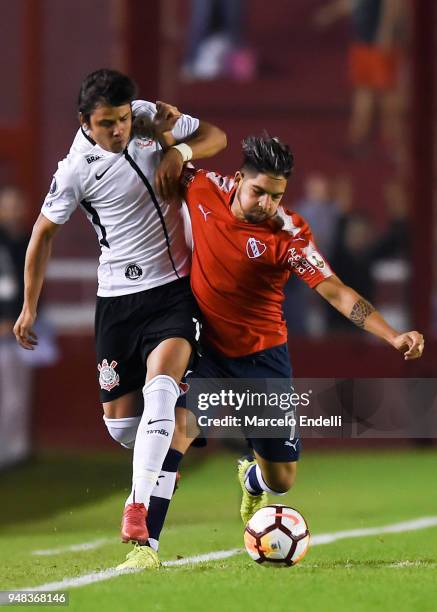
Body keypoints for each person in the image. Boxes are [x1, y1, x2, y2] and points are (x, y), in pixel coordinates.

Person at [117, 134, 424, 570]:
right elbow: (176, 154)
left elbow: (335, 292)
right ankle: (146, 547)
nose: (266, 202)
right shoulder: (204, 187)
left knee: (281, 480)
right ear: (239, 178)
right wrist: (171, 141)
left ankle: (253, 476)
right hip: (207, 349)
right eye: (258, 191)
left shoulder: (289, 232)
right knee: (176, 430)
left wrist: (391, 335)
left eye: (276, 195)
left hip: (263, 360)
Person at [13, 69, 227, 566]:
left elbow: (217, 136)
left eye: (125, 120)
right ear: (85, 122)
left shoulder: (153, 117)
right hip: (117, 303)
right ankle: (188, 425)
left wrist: (180, 150)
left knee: (162, 387)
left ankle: (137, 508)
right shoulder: (74, 171)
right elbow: (42, 235)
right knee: (124, 429)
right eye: (108, 123)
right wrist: (29, 306)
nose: (120, 131)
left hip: (174, 291)